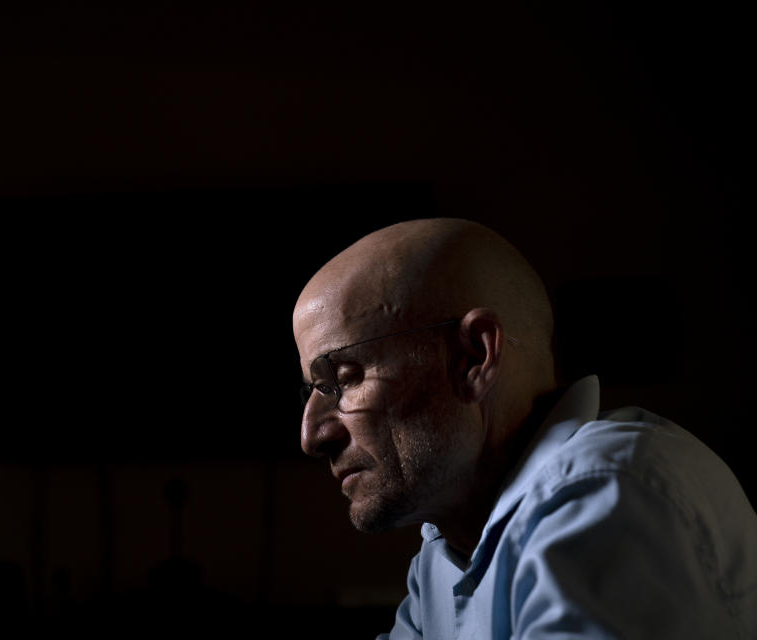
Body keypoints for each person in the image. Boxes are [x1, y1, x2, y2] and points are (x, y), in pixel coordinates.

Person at [293, 218, 757, 639]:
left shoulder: (604, 493)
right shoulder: (443, 552)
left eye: (344, 378)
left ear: (474, 357)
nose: (312, 436)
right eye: (312, 389)